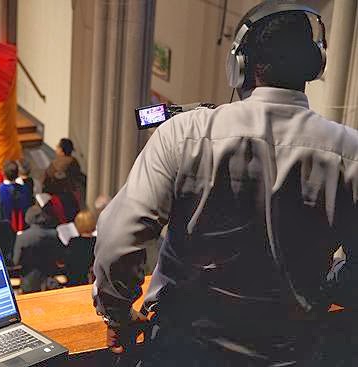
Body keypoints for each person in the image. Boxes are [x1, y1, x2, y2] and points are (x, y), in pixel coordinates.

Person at [93, 4, 355, 366]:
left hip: (185, 350)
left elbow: (118, 237)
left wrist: (117, 313)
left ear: (241, 65)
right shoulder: (350, 153)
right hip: (292, 352)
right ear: (316, 64)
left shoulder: (186, 134)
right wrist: (333, 285)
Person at [13, 205, 62, 293]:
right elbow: (59, 256)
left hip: (29, 282)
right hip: (49, 280)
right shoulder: (53, 234)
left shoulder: (22, 237)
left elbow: (16, 261)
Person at [0, 161, 32, 232]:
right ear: (18, 174)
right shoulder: (25, 190)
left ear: (3, 173)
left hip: (3, 229)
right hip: (22, 228)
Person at [64, 210, 97, 287]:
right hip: (92, 284)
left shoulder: (73, 242)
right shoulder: (97, 242)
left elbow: (66, 263)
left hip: (74, 284)